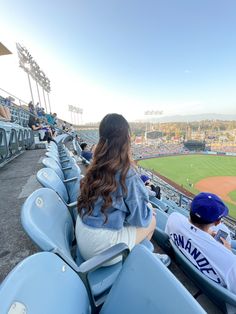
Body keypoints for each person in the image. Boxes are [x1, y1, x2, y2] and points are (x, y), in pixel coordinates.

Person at [76, 113, 170, 266]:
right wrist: (149, 208)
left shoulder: (95, 163)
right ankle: (144, 260)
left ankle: (140, 256)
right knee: (151, 219)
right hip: (99, 250)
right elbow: (140, 219)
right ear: (126, 139)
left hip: (82, 233)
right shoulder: (128, 173)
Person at [165, 192, 236, 294]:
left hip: (179, 271)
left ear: (190, 209)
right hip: (212, 300)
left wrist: (206, 234)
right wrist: (228, 252)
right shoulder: (231, 262)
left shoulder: (174, 218)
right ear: (217, 222)